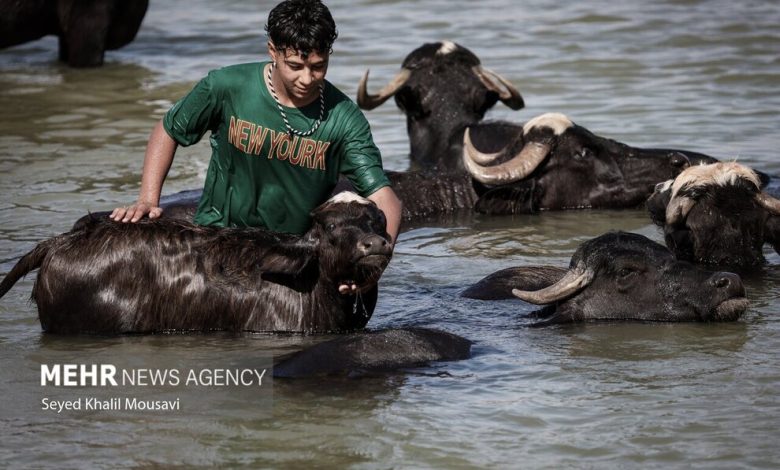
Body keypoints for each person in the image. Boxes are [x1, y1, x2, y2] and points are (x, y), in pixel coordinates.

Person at [110, 0, 401, 294]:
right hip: (216, 241)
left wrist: (376, 269)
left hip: (290, 255)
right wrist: (148, 198)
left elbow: (385, 197)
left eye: (318, 67)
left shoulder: (344, 118)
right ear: (273, 51)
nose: (306, 78)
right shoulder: (226, 87)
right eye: (295, 66)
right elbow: (169, 129)